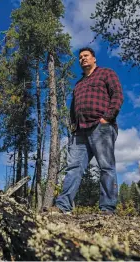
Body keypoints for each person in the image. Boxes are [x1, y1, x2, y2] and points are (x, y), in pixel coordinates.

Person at [53, 47, 124, 215]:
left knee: (106, 167)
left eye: (86, 56)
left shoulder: (106, 73)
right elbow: (73, 108)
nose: (83, 59)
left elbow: (117, 95)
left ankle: (107, 208)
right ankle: (63, 206)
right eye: (80, 57)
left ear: (94, 59)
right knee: (74, 168)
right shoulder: (79, 84)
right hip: (80, 132)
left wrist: (107, 118)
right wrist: (73, 125)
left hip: (101, 127)